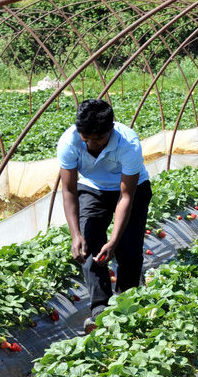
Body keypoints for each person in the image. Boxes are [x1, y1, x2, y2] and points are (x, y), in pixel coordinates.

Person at [57, 98, 152, 328]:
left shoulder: (128, 144)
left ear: (111, 128)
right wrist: (75, 234)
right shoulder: (69, 142)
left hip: (133, 188)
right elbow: (69, 189)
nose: (92, 144)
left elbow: (125, 196)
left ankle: (126, 302)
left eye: (98, 139)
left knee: (128, 248)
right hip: (93, 187)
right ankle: (100, 307)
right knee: (88, 244)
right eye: (86, 138)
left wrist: (114, 240)